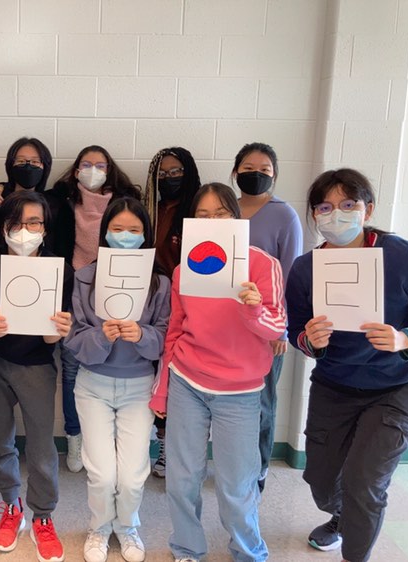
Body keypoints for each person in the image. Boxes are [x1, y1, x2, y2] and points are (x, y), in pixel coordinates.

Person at [286, 168, 408, 562]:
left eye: (348, 205)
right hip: (336, 384)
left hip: (401, 385)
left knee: (365, 482)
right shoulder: (305, 269)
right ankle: (341, 516)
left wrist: (407, 338)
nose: (337, 215)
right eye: (325, 207)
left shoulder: (403, 257)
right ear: (314, 215)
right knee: (322, 481)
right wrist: (310, 341)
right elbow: (294, 331)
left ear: (368, 210)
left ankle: (355, 552)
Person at [151, 183, 285, 562]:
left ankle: (249, 552)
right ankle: (187, 549)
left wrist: (253, 308)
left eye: (222, 214)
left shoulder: (261, 264)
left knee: (235, 484)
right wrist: (162, 391)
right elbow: (175, 331)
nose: (213, 222)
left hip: (240, 391)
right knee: (181, 479)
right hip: (187, 382)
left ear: (236, 217)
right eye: (203, 215)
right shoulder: (183, 271)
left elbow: (277, 328)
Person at [65, 196, 170, 562]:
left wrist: (142, 335)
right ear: (105, 232)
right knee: (101, 473)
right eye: (118, 229)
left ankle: (128, 527)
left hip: (139, 386)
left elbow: (163, 340)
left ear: (147, 235)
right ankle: (99, 528)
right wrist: (101, 335)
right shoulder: (85, 277)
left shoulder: (159, 283)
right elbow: (75, 341)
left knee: (132, 475)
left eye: (135, 230)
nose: (125, 236)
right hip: (93, 384)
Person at [0, 191, 72, 562]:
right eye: (16, 223)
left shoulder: (57, 268)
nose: (25, 231)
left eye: (34, 222)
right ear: (4, 228)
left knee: (41, 446)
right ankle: (11, 506)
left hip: (37, 364)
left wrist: (57, 331)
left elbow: (53, 335)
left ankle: (43, 517)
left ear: (45, 229)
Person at [44, 144, 141, 473]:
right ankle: (75, 436)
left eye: (101, 165)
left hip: (120, 291)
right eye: (87, 164)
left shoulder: (126, 203)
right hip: (75, 291)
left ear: (110, 169)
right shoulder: (60, 201)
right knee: (72, 369)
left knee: (115, 363)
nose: (93, 170)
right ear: (75, 170)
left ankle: (111, 441)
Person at [231, 142, 303, 491]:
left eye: (264, 169)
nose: (255, 174)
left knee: (263, 401)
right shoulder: (224, 212)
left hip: (266, 327)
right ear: (235, 172)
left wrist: (281, 330)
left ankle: (258, 468)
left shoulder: (284, 215)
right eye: (247, 168)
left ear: (274, 175)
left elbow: (290, 276)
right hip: (225, 326)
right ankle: (232, 465)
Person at [142, 146, 201, 478]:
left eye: (176, 172)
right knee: (157, 377)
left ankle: (178, 451)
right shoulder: (149, 209)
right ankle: (162, 445)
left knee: (180, 376)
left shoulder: (196, 212)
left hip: (188, 305)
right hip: (152, 302)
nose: (169, 178)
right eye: (163, 173)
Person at [0, 137, 53, 252]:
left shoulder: (54, 206)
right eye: (21, 161)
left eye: (35, 162)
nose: (28, 167)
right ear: (10, 165)